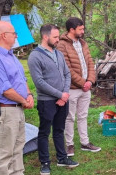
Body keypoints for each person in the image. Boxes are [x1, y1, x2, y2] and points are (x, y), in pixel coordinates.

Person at [0, 21, 34, 174]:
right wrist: (24, 100)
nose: (16, 36)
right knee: (4, 153)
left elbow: (21, 79)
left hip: (17, 108)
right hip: (5, 110)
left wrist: (29, 94)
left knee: (18, 148)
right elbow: (6, 90)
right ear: (4, 36)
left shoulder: (10, 55)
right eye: (13, 33)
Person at [28, 24, 78, 174]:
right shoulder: (34, 56)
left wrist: (65, 94)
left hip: (63, 99)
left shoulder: (58, 54)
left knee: (59, 129)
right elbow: (39, 82)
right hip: (47, 101)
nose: (58, 40)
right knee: (44, 132)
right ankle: (44, 162)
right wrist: (60, 95)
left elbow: (67, 74)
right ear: (45, 37)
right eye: (55, 37)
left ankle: (62, 158)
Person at [56, 17, 101, 156]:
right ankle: (69, 144)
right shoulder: (62, 45)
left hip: (85, 88)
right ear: (71, 29)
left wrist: (90, 80)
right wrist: (83, 83)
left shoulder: (83, 43)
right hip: (71, 88)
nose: (83, 31)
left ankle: (85, 142)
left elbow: (90, 62)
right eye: (80, 29)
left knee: (83, 116)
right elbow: (67, 69)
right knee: (69, 117)